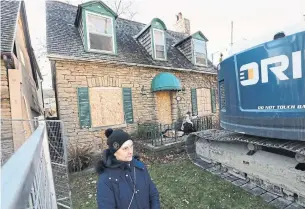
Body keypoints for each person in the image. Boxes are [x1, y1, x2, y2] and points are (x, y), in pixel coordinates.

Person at [96, 129, 160, 209]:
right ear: (115, 152)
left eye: (131, 146)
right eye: (125, 148)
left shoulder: (140, 167)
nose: (130, 151)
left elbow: (153, 194)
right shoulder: (106, 180)